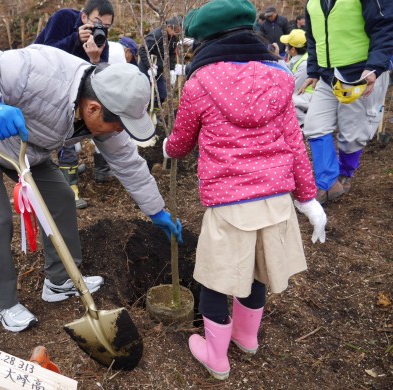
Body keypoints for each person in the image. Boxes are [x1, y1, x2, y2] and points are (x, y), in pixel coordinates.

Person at [0, 43, 183, 332]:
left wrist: (156, 211)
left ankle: (59, 281)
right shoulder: (38, 71)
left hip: (26, 148)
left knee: (62, 197)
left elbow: (128, 163)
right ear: (93, 108)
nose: (119, 132)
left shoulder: (106, 110)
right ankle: (3, 304)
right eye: (118, 126)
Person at [164, 0, 327, 380]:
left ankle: (216, 357)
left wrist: (168, 146)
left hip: (229, 203)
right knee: (255, 273)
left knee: (215, 278)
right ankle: (246, 338)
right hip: (274, 200)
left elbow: (183, 142)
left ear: (207, 40)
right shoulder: (280, 77)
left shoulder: (201, 82)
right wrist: (308, 198)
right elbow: (293, 142)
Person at [299, 0, 393, 204]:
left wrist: (374, 66)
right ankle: (327, 182)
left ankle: (345, 173)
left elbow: (385, 25)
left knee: (352, 135)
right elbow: (313, 38)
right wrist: (313, 71)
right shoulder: (312, 2)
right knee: (315, 127)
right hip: (326, 76)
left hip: (360, 72)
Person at [35, 0, 115, 209]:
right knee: (62, 136)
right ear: (83, 17)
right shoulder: (62, 19)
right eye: (97, 23)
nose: (100, 30)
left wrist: (95, 59)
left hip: (75, 93)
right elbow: (43, 53)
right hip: (45, 87)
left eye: (106, 27)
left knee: (73, 133)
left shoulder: (101, 38)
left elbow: (100, 76)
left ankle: (66, 171)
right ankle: (68, 188)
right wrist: (74, 39)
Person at [138, 16, 182, 106]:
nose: (176, 34)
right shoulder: (155, 36)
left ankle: (152, 109)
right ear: (169, 27)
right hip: (146, 68)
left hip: (158, 69)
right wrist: (150, 66)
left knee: (162, 94)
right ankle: (142, 110)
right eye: (176, 31)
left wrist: (172, 70)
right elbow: (142, 50)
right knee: (143, 94)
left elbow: (172, 54)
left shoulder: (173, 37)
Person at [280, 29, 313, 127]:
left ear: (293, 49)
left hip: (309, 95)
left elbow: (293, 87)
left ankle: (305, 125)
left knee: (285, 102)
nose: (286, 48)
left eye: (287, 45)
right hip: (304, 94)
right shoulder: (301, 59)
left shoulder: (304, 64)